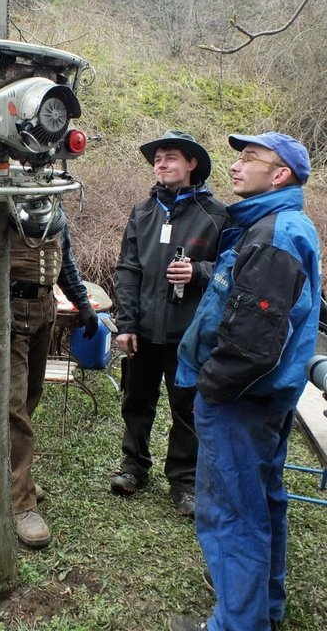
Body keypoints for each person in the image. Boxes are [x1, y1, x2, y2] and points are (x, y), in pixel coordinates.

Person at [170, 132, 322, 631]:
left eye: (250, 158)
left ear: (280, 175)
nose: (236, 166)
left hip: (241, 401)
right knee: (264, 500)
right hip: (265, 399)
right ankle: (263, 609)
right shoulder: (272, 226)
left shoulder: (276, 235)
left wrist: (210, 390)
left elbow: (255, 342)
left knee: (232, 515)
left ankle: (237, 625)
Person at [111, 130, 230, 517]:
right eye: (158, 158)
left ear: (192, 164)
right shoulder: (143, 212)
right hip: (143, 330)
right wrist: (125, 323)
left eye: (171, 157)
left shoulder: (217, 215)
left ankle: (183, 481)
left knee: (187, 408)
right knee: (136, 400)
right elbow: (128, 269)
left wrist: (197, 271)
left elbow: (236, 269)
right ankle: (133, 467)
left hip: (190, 335)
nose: (162, 164)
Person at [10, 211, 98, 548]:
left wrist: (82, 304)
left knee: (31, 395)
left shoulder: (52, 212)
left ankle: (17, 479)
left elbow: (65, 262)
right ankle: (21, 503)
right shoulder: (0, 205)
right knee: (13, 406)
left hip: (43, 308)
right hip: (7, 310)